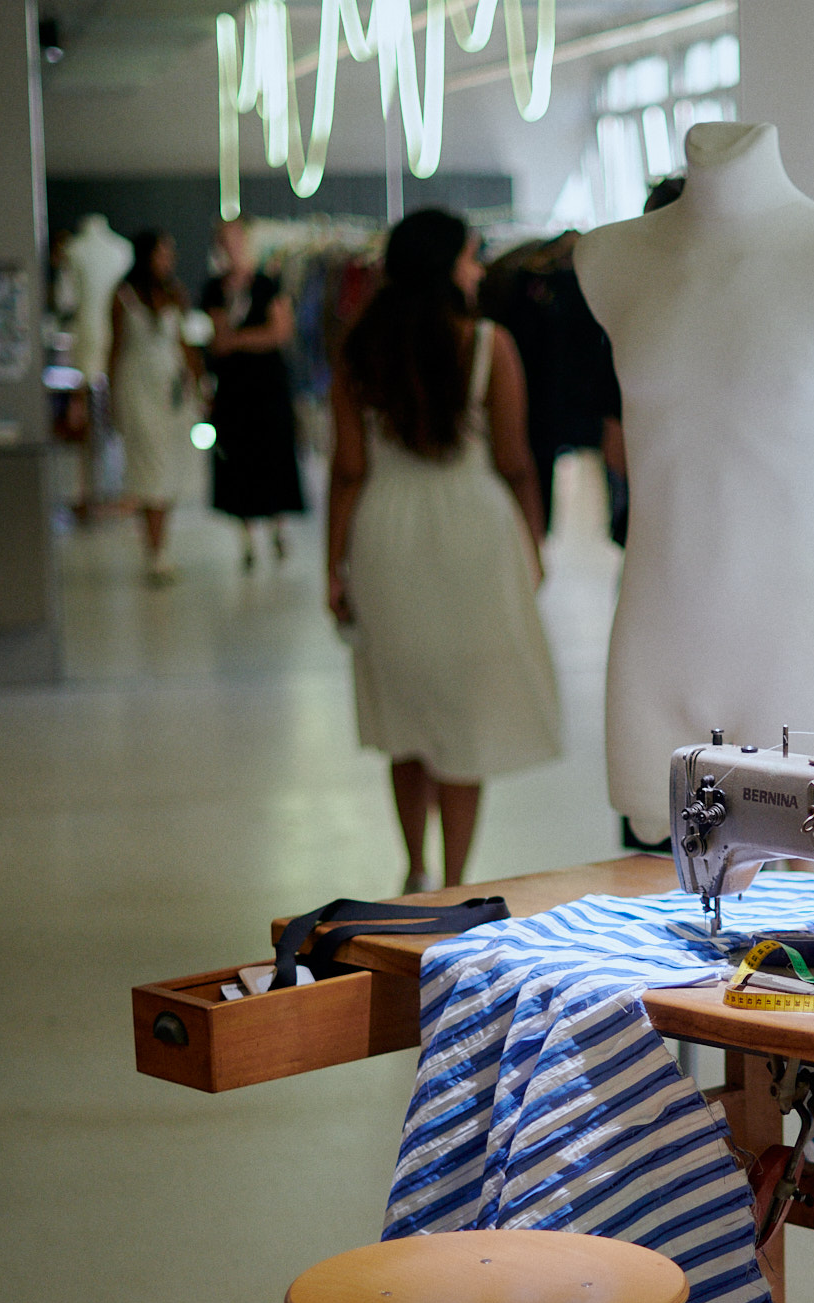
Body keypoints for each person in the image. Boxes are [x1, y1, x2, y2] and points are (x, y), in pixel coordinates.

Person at [328, 209, 560, 891]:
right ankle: (456, 878)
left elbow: (348, 470)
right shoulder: (488, 344)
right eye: (470, 256)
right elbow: (516, 462)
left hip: (385, 534)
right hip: (473, 533)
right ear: (444, 266)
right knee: (464, 716)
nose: (479, 270)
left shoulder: (359, 349)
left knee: (404, 712)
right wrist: (533, 541)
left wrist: (334, 566)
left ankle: (414, 868)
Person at [201, 219, 306, 570]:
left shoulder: (267, 283)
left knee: (272, 454)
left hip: (267, 387)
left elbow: (280, 332)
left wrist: (239, 339)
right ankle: (247, 536)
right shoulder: (217, 289)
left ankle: (277, 526)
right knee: (239, 459)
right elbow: (220, 340)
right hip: (235, 390)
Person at [108, 230, 200, 584]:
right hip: (137, 389)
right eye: (163, 253)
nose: (169, 260)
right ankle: (155, 549)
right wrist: (112, 397)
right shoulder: (123, 296)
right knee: (149, 466)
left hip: (170, 389)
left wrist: (197, 381)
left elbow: (184, 342)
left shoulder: (175, 294)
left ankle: (160, 545)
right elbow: (115, 348)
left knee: (169, 466)